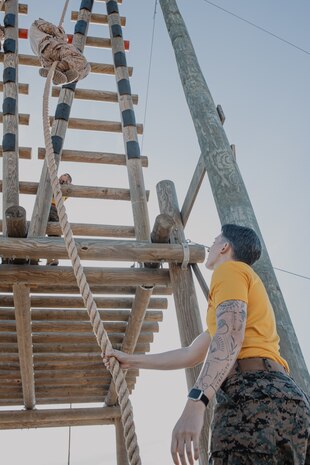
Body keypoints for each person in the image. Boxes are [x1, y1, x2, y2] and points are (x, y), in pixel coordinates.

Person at [103, 224, 310, 464]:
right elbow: (191, 353)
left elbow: (231, 335)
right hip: (290, 400)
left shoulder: (229, 271)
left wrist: (196, 403)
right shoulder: (242, 289)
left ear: (224, 247)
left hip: (253, 395)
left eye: (215, 241)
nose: (210, 246)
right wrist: (131, 360)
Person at [29, 19, 90, 86]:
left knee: (73, 68)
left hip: (44, 57)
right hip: (51, 46)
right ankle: (58, 70)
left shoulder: (32, 39)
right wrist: (61, 31)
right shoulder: (37, 23)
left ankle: (56, 73)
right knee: (83, 64)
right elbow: (58, 34)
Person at [46, 173, 72, 266]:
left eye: (65, 176)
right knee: (43, 232)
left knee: (55, 234)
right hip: (45, 207)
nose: (62, 177)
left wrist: (65, 183)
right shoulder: (54, 182)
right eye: (62, 175)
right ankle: (49, 259)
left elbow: (62, 193)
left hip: (55, 208)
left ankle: (54, 258)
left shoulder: (66, 188)